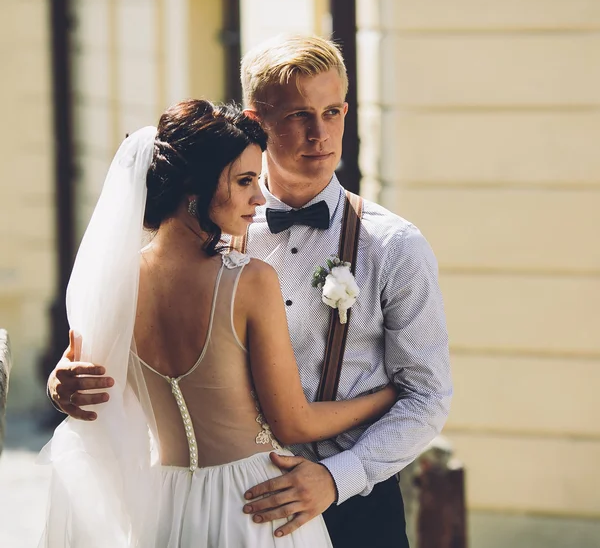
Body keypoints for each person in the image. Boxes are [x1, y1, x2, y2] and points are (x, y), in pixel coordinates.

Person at [48, 35, 453, 547]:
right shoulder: (209, 225)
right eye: (299, 117)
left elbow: (428, 397)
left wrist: (337, 478)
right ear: (258, 122)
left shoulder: (395, 246)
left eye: (332, 113)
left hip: (356, 505)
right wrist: (71, 379)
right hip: (237, 506)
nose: (320, 134)